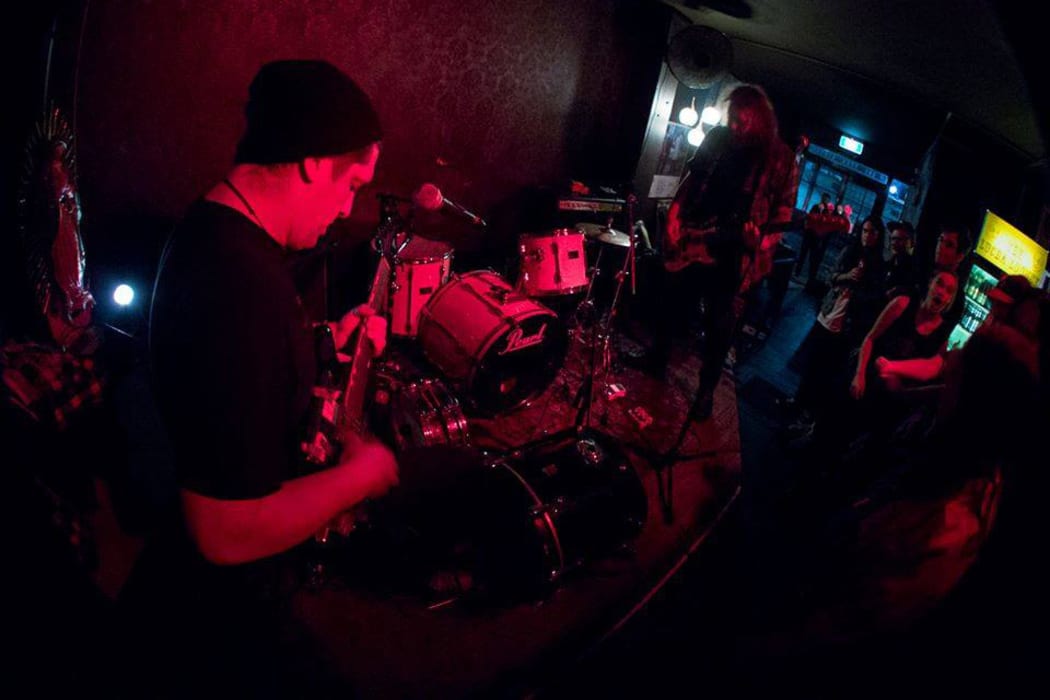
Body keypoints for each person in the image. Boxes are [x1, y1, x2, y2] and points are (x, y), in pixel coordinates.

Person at [120, 60, 398, 696]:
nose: (348, 209)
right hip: (213, 617)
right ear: (309, 161)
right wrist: (360, 474)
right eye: (351, 185)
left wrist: (324, 340)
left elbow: (236, 372)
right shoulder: (235, 282)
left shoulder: (218, 233)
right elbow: (224, 532)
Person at [634, 84, 798, 418]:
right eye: (733, 119)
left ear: (761, 120)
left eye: (744, 122)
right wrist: (675, 219)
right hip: (694, 238)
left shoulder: (781, 158)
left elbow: (782, 217)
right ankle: (657, 359)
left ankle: (705, 394)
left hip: (732, 255)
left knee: (719, 326)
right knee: (671, 303)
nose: (736, 127)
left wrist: (759, 245)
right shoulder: (719, 139)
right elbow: (691, 179)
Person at [883, 221, 918, 299]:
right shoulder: (886, 265)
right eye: (893, 238)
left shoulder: (914, 270)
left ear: (911, 242)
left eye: (900, 239)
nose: (894, 243)